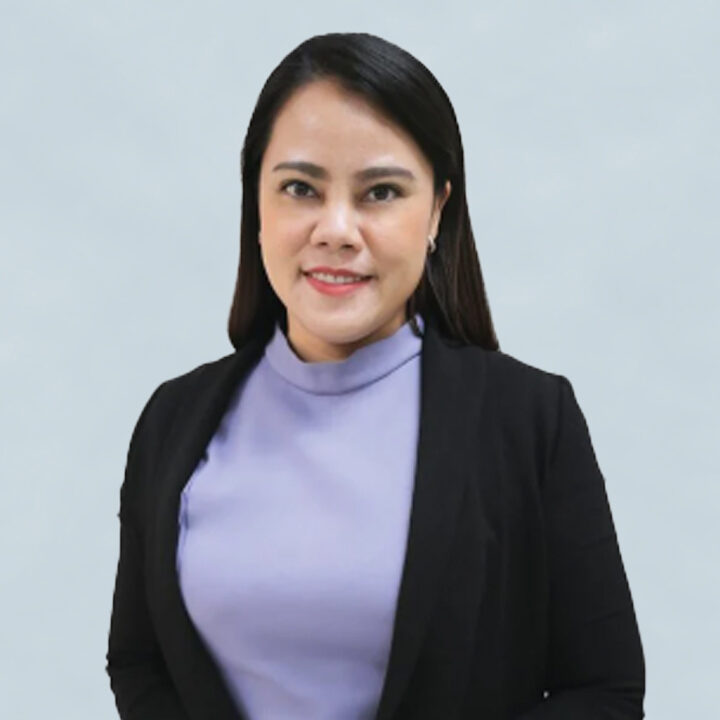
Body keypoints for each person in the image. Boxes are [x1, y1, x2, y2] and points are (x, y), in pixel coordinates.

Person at [106, 32, 645, 720]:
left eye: (381, 192)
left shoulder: (532, 419)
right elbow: (140, 662)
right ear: (256, 203)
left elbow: (604, 691)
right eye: (300, 188)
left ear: (437, 210)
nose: (336, 229)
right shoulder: (172, 420)